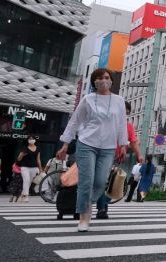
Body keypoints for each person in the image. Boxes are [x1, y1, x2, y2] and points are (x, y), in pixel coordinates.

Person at [55, 68, 128, 232]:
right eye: (100, 78)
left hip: (108, 147)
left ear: (111, 81)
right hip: (87, 144)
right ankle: (83, 216)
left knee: (101, 182)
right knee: (86, 181)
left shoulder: (118, 101)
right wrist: (65, 144)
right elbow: (74, 122)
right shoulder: (88, 99)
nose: (104, 80)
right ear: (94, 81)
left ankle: (87, 203)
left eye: (107, 77)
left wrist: (123, 145)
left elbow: (122, 124)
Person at [15, 137, 43, 202]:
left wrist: (40, 168)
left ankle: (22, 194)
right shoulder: (24, 148)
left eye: (32, 139)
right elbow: (18, 159)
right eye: (30, 139)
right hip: (25, 167)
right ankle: (26, 196)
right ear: (27, 140)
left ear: (35, 140)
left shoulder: (38, 148)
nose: (31, 140)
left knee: (29, 182)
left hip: (34, 167)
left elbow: (38, 159)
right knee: (26, 180)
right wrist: (22, 155)